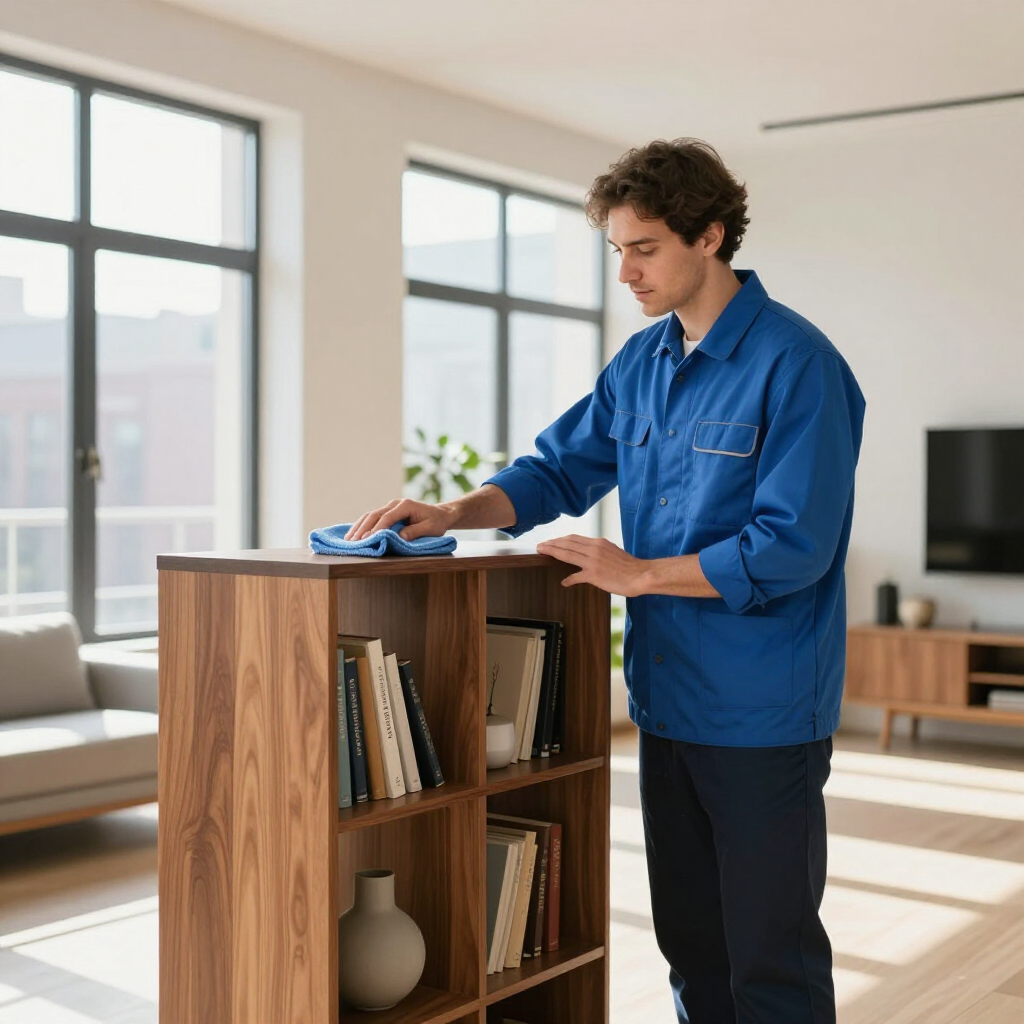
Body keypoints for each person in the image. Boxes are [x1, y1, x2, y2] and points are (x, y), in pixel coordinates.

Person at [347, 138, 865, 1024]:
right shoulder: (640, 365)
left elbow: (793, 548)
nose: (626, 271)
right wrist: (451, 514)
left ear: (710, 237)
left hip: (762, 713)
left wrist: (639, 572)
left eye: (645, 247)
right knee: (693, 947)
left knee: (770, 957)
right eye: (616, 250)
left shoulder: (800, 365)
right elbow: (555, 470)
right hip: (667, 704)